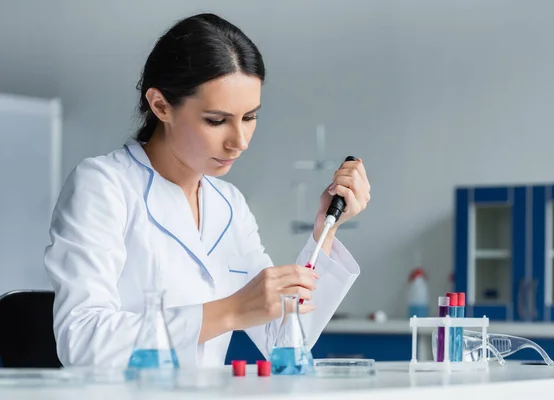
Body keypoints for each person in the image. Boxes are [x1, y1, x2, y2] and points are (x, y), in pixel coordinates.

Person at [44, 13, 371, 368]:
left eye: (250, 117)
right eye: (216, 121)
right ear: (161, 105)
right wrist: (230, 311)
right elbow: (81, 341)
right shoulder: (104, 185)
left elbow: (284, 339)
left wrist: (327, 228)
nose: (240, 141)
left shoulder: (228, 204)